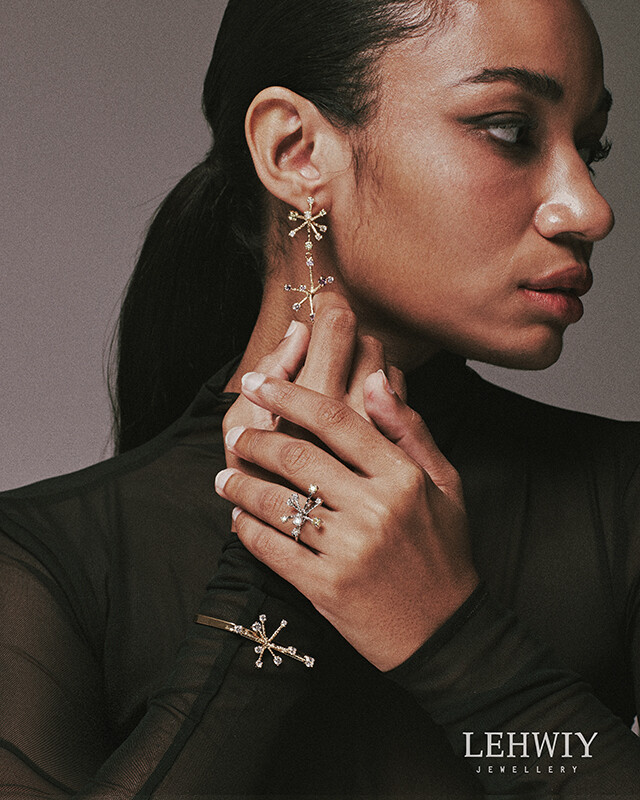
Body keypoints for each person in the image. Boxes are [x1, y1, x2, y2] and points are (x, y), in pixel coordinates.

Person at [1, 0, 639, 796]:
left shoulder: (622, 500)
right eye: (510, 130)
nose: (591, 209)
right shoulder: (45, 557)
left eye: (592, 146)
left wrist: (453, 641)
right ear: (296, 151)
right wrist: (271, 585)